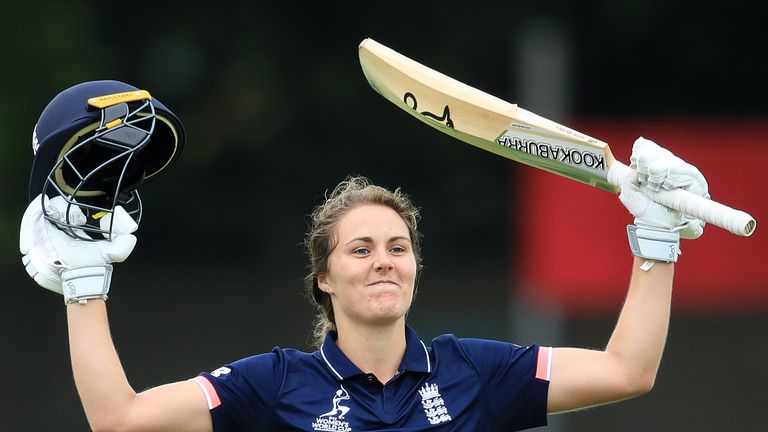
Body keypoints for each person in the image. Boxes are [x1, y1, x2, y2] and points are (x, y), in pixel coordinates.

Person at [20, 134, 708, 430]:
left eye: (398, 247)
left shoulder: (476, 373)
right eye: (361, 249)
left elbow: (628, 370)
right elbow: (120, 419)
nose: (384, 260)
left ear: (414, 267)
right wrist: (84, 282)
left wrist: (657, 240)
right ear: (325, 278)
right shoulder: (272, 385)